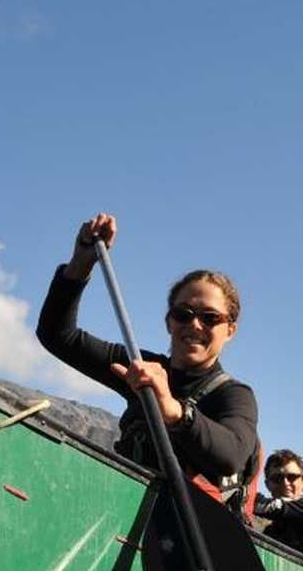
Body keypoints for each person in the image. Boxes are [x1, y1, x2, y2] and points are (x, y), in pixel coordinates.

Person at [35, 212, 260, 514]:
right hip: (122, 515)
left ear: (230, 330)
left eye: (210, 318)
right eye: (183, 314)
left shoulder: (234, 395)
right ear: (169, 322)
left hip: (185, 538)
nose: (194, 325)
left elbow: (231, 454)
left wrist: (174, 411)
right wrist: (81, 263)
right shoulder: (140, 368)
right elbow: (58, 336)